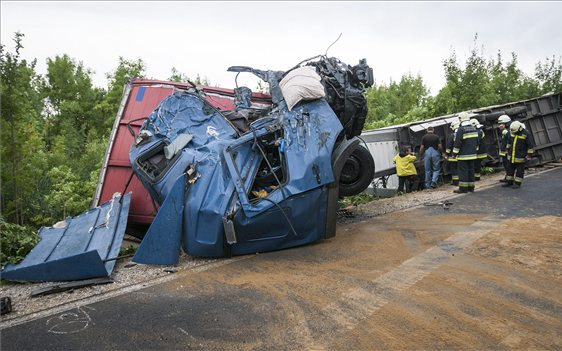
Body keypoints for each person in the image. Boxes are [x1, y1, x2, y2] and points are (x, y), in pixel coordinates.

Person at [452, 112, 479, 193]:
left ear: (460, 119)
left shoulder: (461, 130)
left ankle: (463, 188)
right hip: (473, 155)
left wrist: (454, 154)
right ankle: (471, 187)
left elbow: (457, 143)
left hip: (463, 156)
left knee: (463, 172)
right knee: (471, 171)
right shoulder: (474, 128)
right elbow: (477, 141)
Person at [502, 121, 534, 189]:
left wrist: (529, 155)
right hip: (511, 155)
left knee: (519, 171)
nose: (514, 132)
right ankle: (509, 182)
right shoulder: (512, 131)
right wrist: (507, 149)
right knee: (509, 169)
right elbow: (509, 142)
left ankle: (517, 183)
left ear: (519, 128)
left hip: (520, 156)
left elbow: (530, 145)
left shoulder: (526, 134)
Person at [444, 118, 460, 186]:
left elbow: (449, 146)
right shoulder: (462, 134)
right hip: (462, 156)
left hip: (453, 156)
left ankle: (456, 182)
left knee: (454, 170)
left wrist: (446, 154)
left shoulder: (452, 135)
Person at [497, 114, 511, 182]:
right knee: (506, 165)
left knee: (508, 166)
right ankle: (507, 177)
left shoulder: (508, 131)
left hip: (507, 152)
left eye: (501, 124)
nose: (499, 126)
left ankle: (509, 179)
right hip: (504, 152)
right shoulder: (504, 131)